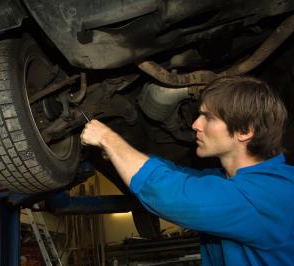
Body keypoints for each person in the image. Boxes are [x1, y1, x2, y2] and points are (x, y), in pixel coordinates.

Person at [80, 75, 294, 265]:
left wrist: (107, 138)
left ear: (245, 130)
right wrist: (121, 152)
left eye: (208, 117)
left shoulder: (272, 195)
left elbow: (171, 194)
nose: (195, 124)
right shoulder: (233, 180)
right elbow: (180, 175)